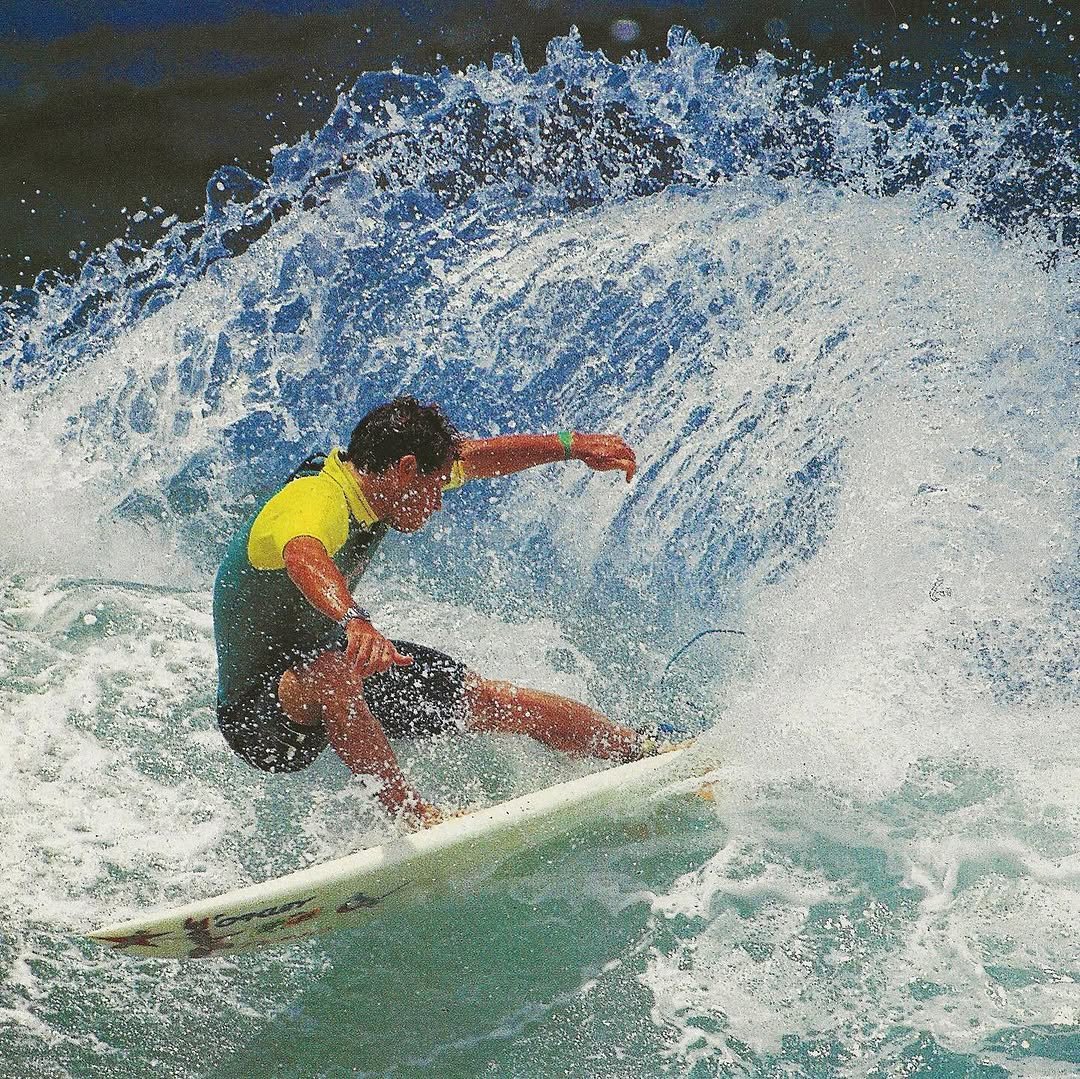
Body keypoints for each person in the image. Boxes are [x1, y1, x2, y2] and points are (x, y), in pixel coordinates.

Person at [213, 396, 653, 827]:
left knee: (486, 699)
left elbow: (476, 459)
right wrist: (354, 620)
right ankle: (416, 819)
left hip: (332, 662)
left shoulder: (378, 484)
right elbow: (304, 555)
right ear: (405, 469)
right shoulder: (316, 499)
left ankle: (637, 750)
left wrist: (571, 446)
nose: (438, 501)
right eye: (435, 486)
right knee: (332, 672)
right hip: (260, 716)